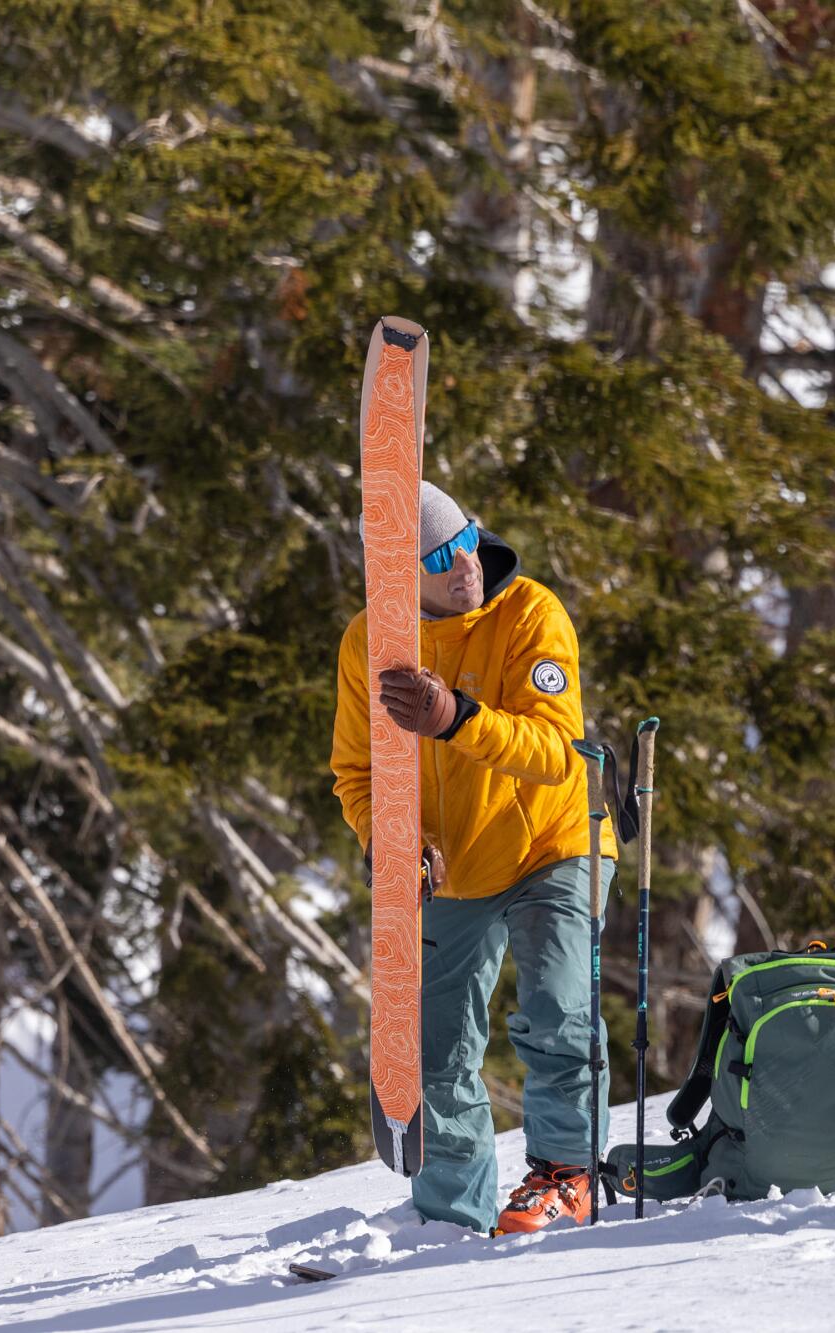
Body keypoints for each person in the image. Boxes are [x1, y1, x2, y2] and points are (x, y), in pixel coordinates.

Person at [331, 481, 619, 1233]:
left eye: (468, 541)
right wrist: (390, 843)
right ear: (402, 580)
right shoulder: (371, 644)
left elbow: (559, 753)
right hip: (453, 867)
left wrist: (456, 717)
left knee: (558, 1005)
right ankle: (450, 1212)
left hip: (552, 842)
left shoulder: (531, 613)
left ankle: (568, 1173)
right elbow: (357, 774)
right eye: (440, 557)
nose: (465, 565)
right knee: (434, 1044)